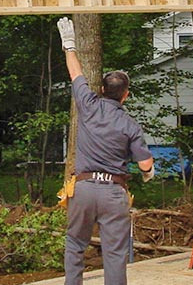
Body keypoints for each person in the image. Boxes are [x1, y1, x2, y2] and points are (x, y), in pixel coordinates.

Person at [57, 17, 154, 285]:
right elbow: (145, 163)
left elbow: (76, 75)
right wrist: (147, 173)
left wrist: (69, 45)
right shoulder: (130, 125)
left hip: (84, 189)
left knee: (75, 243)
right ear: (126, 95)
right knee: (114, 253)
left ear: (101, 90)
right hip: (113, 193)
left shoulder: (88, 104)